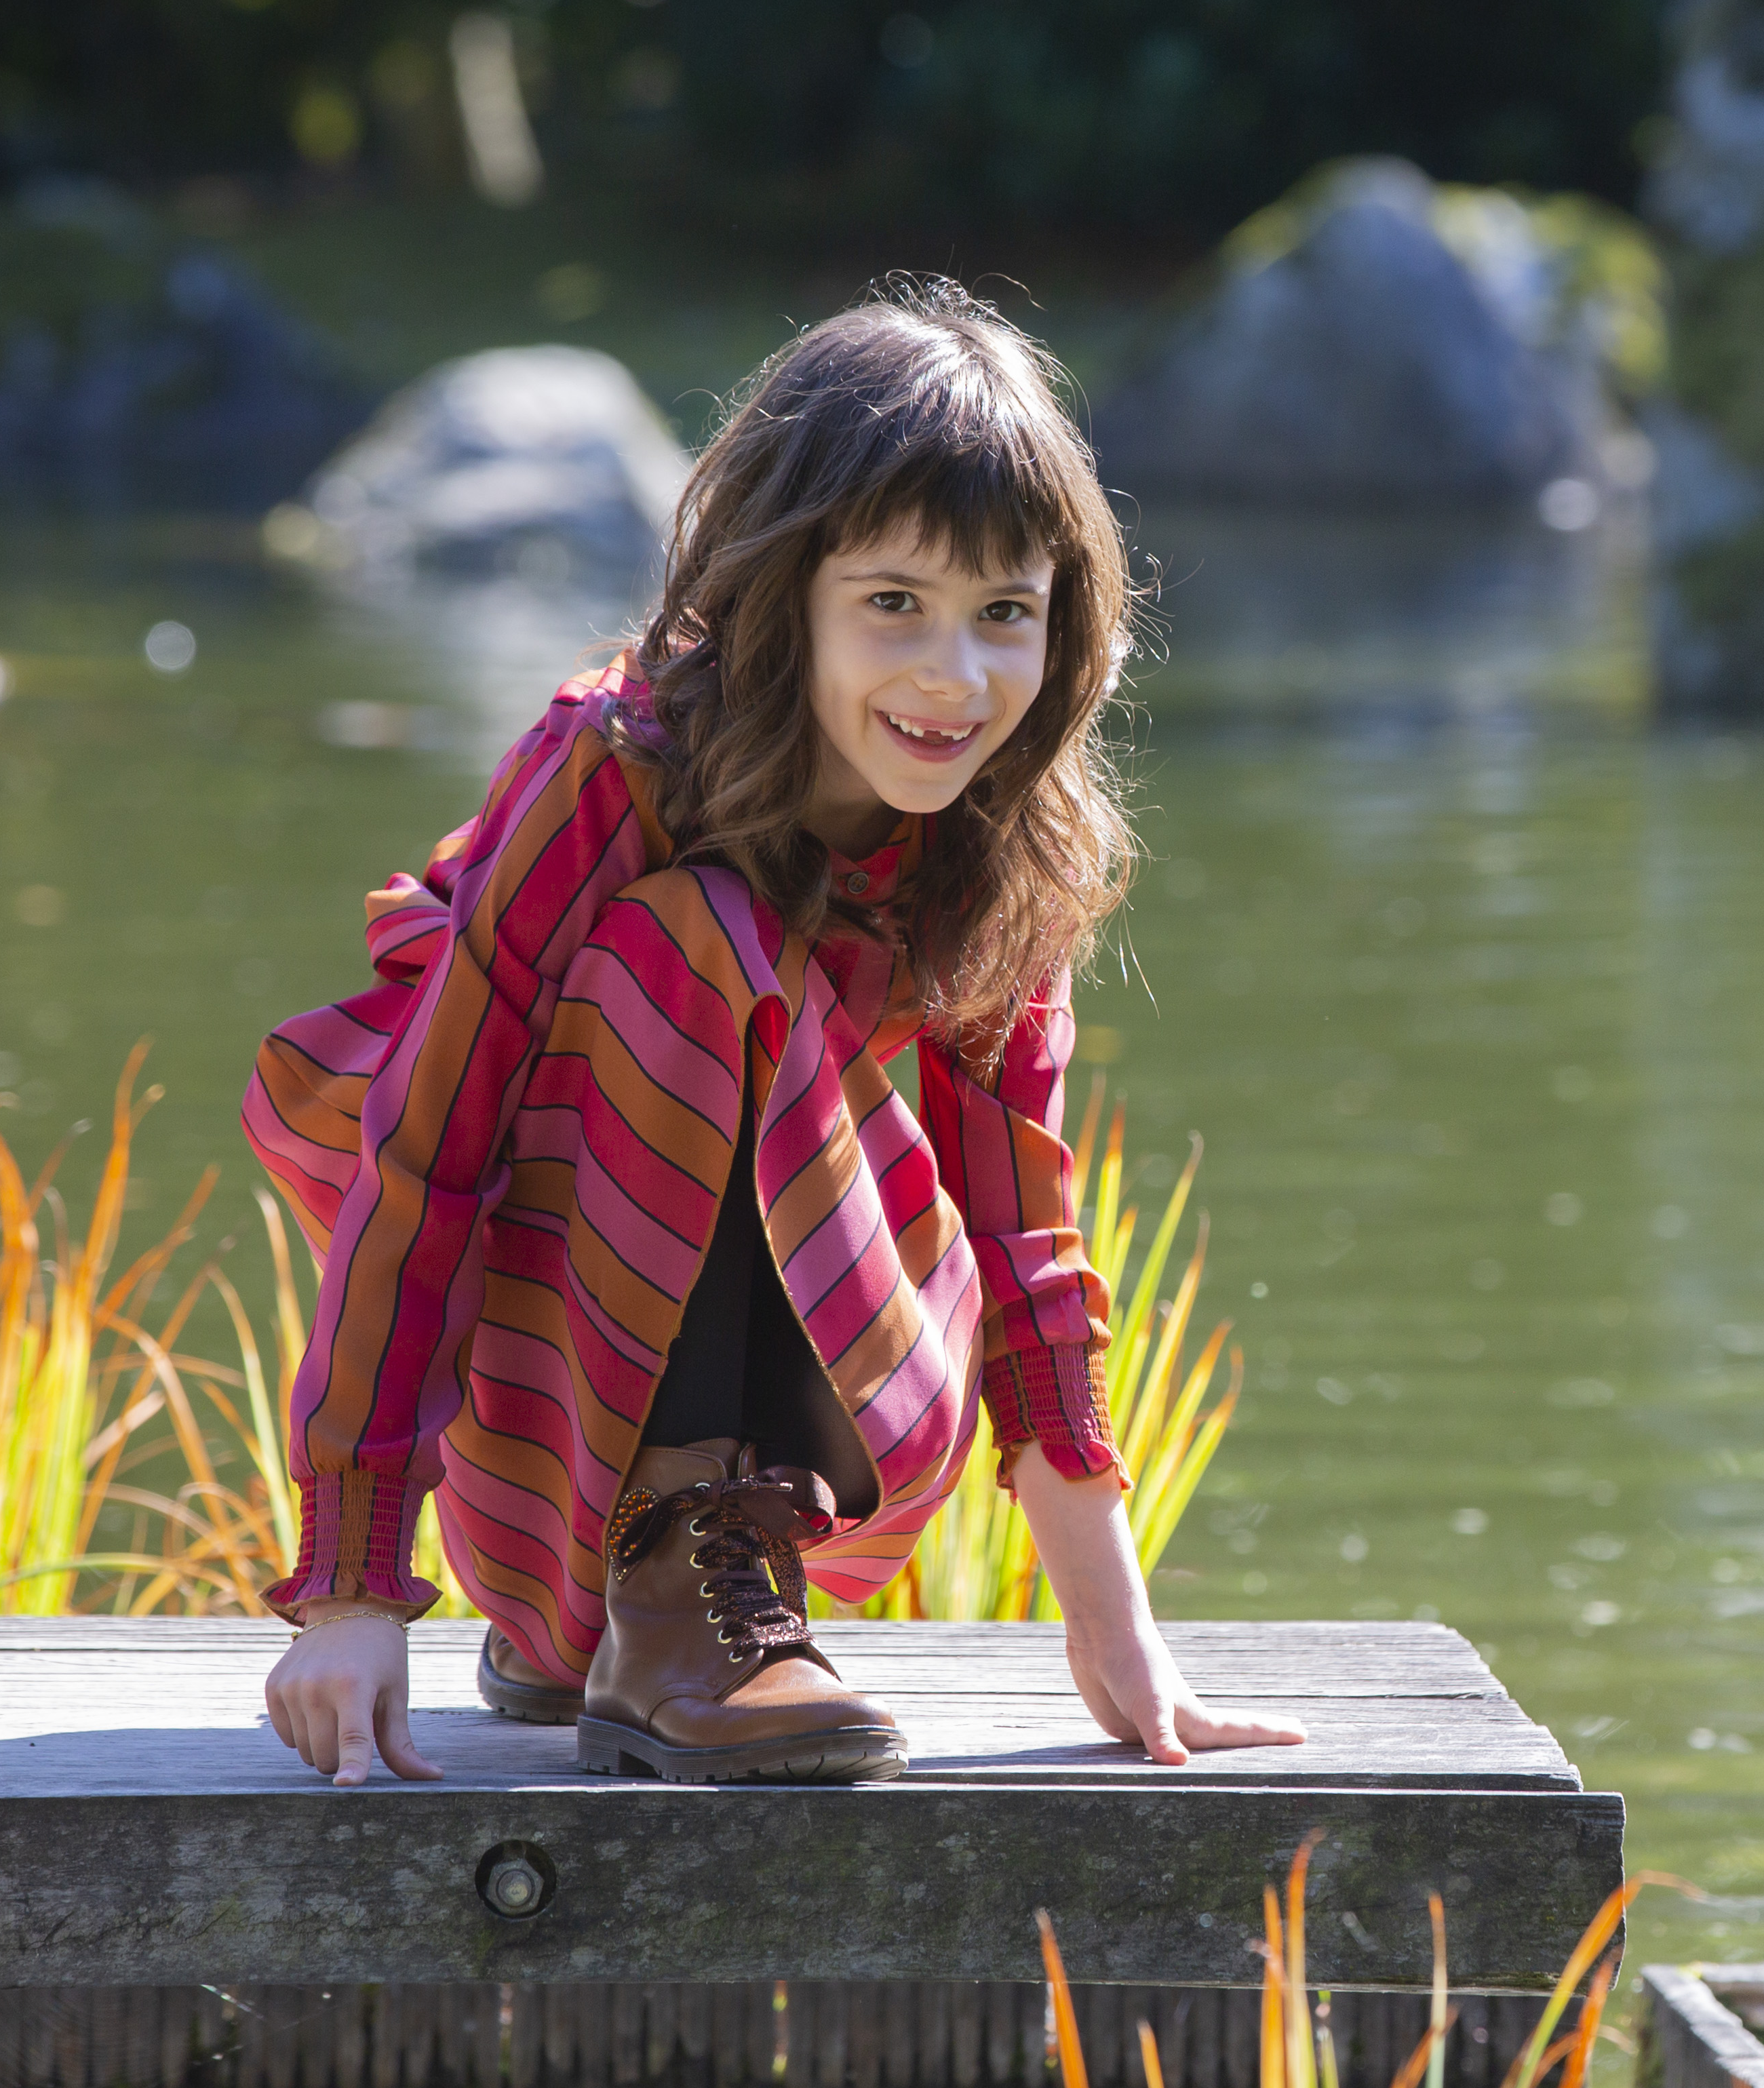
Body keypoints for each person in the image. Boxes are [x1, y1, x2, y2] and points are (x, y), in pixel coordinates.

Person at [249, 279, 1306, 1787]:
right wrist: (348, 1589)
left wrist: (1117, 1628)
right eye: (894, 603)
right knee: (705, 940)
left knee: (786, 997)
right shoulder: (614, 769)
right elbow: (428, 1160)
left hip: (839, 1460)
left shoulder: (1004, 835)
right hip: (535, 1420)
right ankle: (633, 1597)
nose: (955, 676)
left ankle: (702, 1581)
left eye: (1005, 612)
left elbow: (1022, 1241)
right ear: (781, 591)